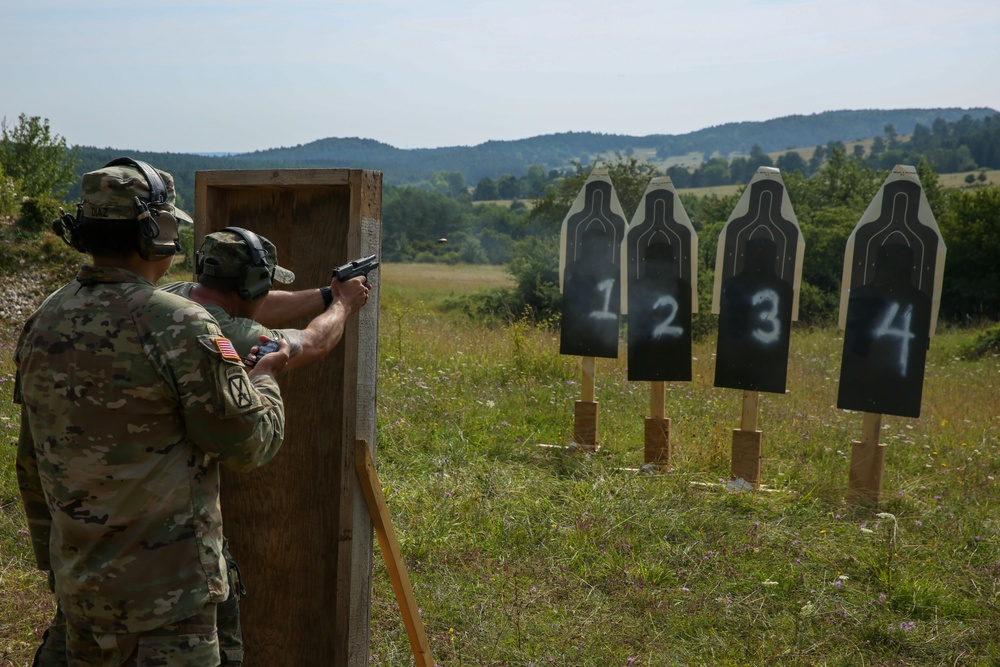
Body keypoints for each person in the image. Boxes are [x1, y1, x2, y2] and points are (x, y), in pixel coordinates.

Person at [15, 158, 289, 667]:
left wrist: (58, 567)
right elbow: (250, 445)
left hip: (81, 591)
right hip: (168, 606)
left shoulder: (43, 318)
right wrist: (266, 377)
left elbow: (31, 465)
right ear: (156, 233)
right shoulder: (179, 323)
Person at [160, 226, 371, 372]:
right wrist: (343, 303)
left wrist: (329, 294)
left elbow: (261, 306)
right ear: (255, 285)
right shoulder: (226, 333)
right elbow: (313, 344)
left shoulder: (174, 292)